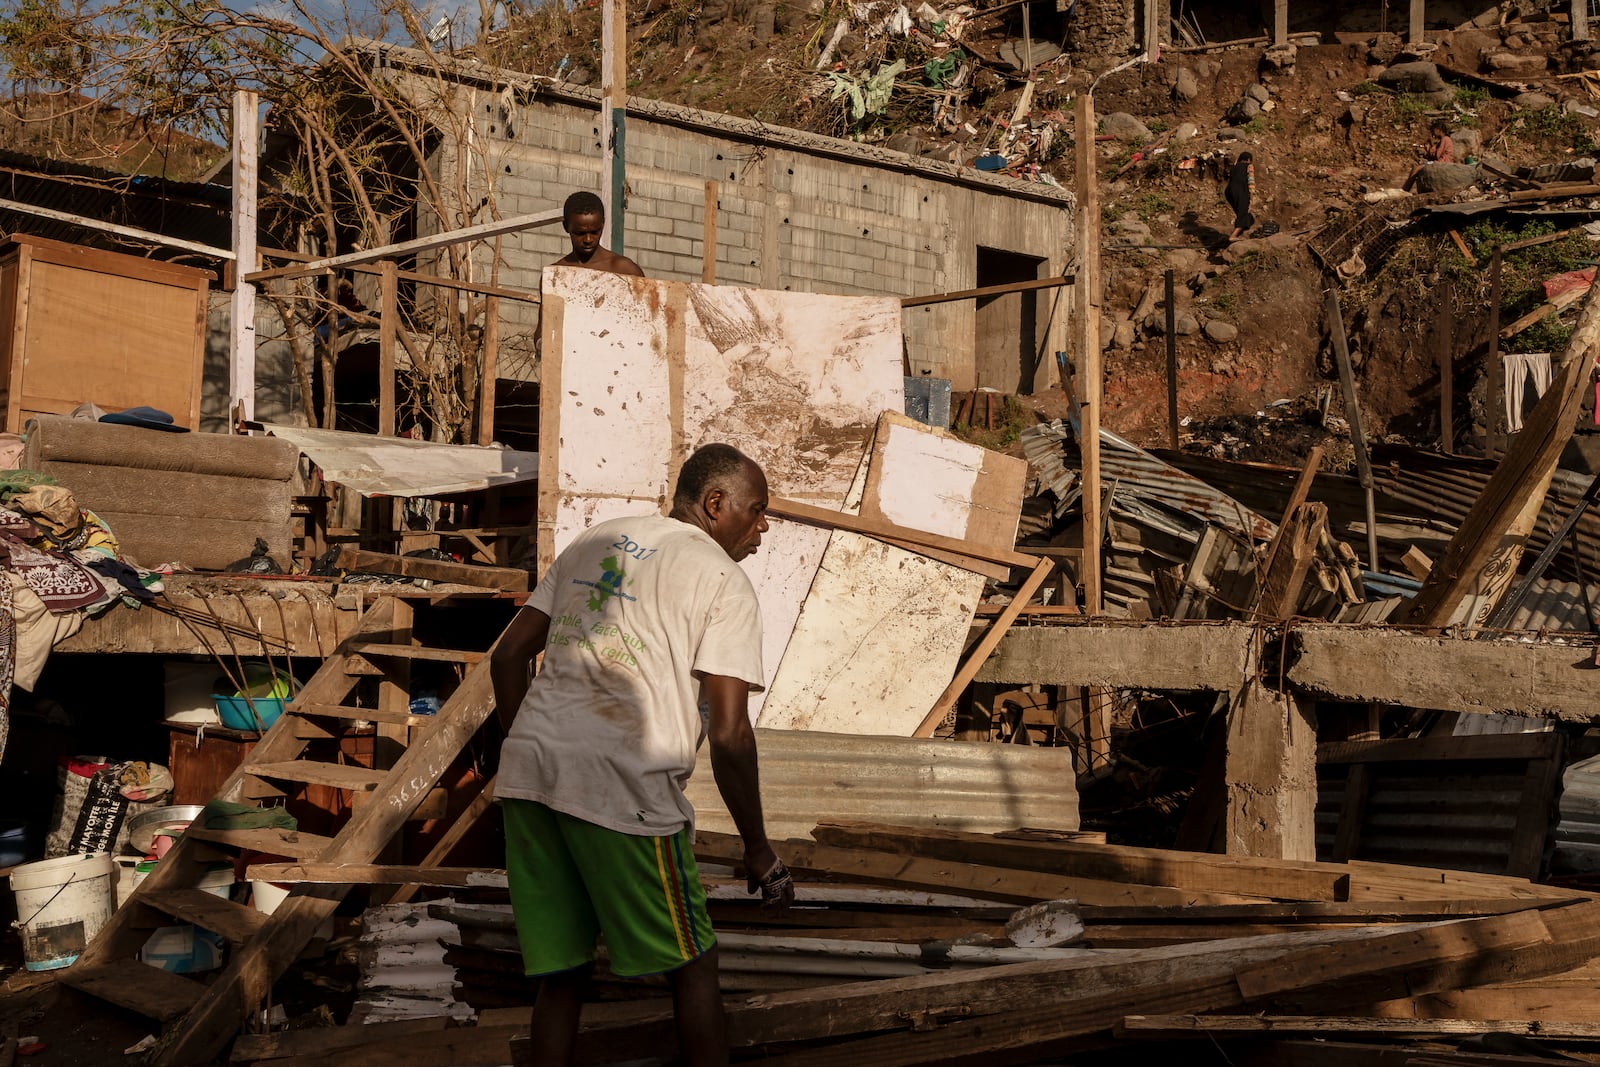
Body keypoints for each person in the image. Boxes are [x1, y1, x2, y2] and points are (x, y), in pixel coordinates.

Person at [490, 442, 792, 1067]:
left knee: (563, 973)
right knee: (694, 963)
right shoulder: (722, 581)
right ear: (716, 504)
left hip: (529, 778)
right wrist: (757, 847)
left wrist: (533, 744)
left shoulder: (596, 539)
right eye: (757, 511)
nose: (763, 527)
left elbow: (506, 657)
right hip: (621, 791)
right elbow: (732, 733)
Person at [553, 190, 645, 277]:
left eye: (594, 232)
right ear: (566, 226)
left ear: (602, 224)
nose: (588, 239)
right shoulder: (554, 275)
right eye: (580, 233)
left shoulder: (625, 270)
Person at [1403, 123, 1455, 191]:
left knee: (1416, 169)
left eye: (1434, 130)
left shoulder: (1445, 139)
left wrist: (1431, 145)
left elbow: (1437, 155)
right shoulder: (1443, 140)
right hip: (1439, 161)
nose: (1432, 132)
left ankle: (1405, 189)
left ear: (1439, 130)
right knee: (1416, 168)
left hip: (1442, 162)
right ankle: (1406, 188)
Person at [1225, 151, 1255, 242]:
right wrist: (1251, 198)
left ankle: (1238, 234)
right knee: (1243, 214)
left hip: (1229, 192)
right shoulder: (1249, 166)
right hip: (1241, 191)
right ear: (1249, 159)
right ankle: (1233, 236)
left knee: (1246, 216)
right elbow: (1251, 182)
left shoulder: (1234, 167)